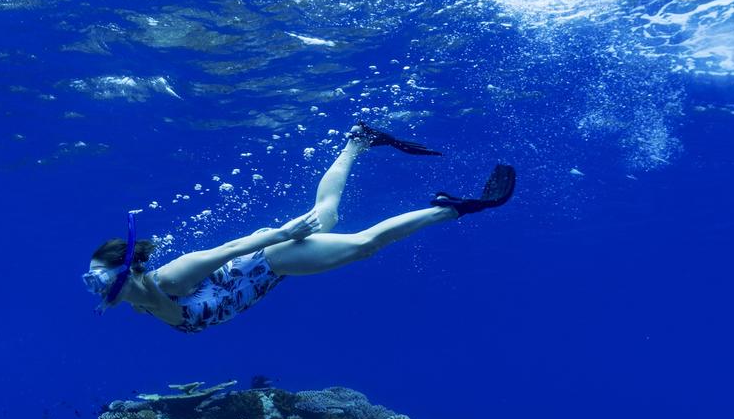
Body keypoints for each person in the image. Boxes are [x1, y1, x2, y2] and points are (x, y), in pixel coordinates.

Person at [83, 123, 515, 333]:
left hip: (272, 259)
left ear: (125, 270)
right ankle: (358, 140)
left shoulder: (171, 278)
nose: (95, 287)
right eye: (92, 282)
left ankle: (453, 207)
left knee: (364, 245)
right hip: (270, 265)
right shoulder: (142, 302)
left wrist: (283, 236)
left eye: (97, 277)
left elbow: (231, 248)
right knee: (326, 211)